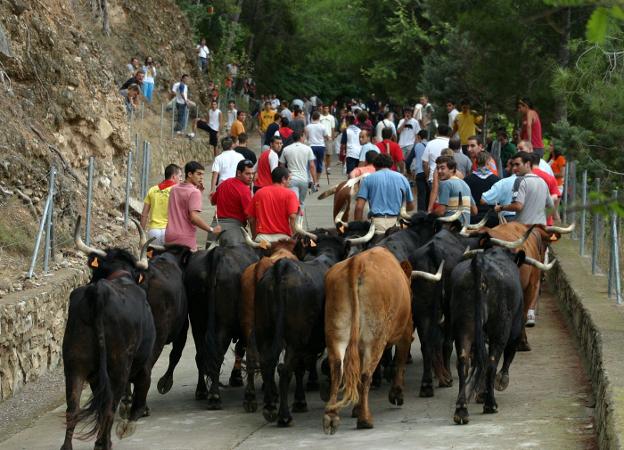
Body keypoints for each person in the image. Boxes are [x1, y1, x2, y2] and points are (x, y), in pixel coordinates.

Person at [165, 161, 220, 251]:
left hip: (170, 235)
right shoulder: (194, 192)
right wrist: (211, 230)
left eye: (202, 174)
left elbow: (183, 205)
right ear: (190, 174)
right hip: (185, 237)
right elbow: (193, 218)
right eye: (198, 174)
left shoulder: (174, 189)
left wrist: (198, 192)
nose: (201, 178)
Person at [354, 154, 415, 234]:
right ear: (391, 165)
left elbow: (359, 207)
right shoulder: (402, 178)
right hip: (397, 224)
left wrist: (358, 228)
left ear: (375, 166)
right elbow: (411, 206)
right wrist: (396, 208)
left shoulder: (368, 179)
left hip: (376, 224)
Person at [495, 151, 553, 226]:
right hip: (540, 229)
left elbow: (518, 206)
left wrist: (501, 207)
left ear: (528, 164)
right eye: (513, 165)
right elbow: (551, 206)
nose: (514, 168)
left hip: (523, 229)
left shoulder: (519, 180)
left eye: (517, 164)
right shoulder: (542, 182)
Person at [246, 166, 300, 242]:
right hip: (283, 239)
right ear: (283, 179)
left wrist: (254, 237)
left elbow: (251, 218)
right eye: (289, 179)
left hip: (262, 239)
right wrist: (295, 237)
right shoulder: (290, 194)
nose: (290, 182)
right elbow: (293, 217)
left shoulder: (259, 193)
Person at [140, 164, 182, 245]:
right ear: (173, 177)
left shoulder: (152, 189)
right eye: (180, 176)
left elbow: (144, 214)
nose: (181, 179)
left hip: (153, 232)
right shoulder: (178, 191)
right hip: (170, 231)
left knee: (152, 256)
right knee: (169, 257)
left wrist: (142, 235)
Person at [210, 159, 254, 233]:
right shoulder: (245, 190)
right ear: (239, 173)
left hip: (216, 228)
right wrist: (254, 236)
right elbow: (250, 217)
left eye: (252, 173)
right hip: (234, 230)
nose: (251, 177)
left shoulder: (224, 183)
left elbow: (213, 201)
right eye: (247, 174)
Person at [432, 155, 477, 225]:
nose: (439, 171)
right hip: (464, 229)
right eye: (437, 168)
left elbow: (441, 211)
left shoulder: (446, 183)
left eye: (442, 168)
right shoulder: (465, 184)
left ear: (452, 169)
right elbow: (474, 211)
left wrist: (429, 215)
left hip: (450, 229)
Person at [279, 132, 317, 208]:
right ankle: (300, 219)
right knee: (301, 203)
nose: (304, 138)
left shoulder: (286, 149)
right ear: (301, 137)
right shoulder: (308, 149)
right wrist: (315, 181)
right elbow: (312, 166)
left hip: (291, 179)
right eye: (304, 136)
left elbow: (281, 166)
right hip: (304, 180)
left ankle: (293, 218)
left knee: (292, 203)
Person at [464, 152, 500, 223]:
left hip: (473, 217)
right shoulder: (497, 180)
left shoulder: (467, 180)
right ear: (488, 163)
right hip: (492, 217)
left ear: (476, 163)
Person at [406, 130, 428, 211]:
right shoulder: (430, 144)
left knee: (421, 195)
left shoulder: (417, 145)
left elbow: (408, 160)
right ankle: (428, 214)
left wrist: (408, 171)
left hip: (420, 173)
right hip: (430, 173)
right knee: (429, 194)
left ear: (419, 137)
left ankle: (421, 216)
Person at [305, 111, 330, 176]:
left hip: (311, 146)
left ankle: (312, 180)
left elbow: (306, 137)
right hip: (321, 146)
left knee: (312, 163)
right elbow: (326, 137)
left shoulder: (308, 126)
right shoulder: (322, 126)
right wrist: (327, 138)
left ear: (312, 117)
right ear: (319, 117)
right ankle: (317, 181)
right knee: (319, 163)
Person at [319, 104, 338, 173]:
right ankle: (321, 167)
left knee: (328, 154)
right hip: (320, 137)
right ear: (322, 109)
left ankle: (328, 167)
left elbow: (333, 127)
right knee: (321, 154)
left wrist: (333, 136)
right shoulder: (320, 117)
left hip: (329, 137)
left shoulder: (331, 117)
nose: (325, 110)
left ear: (329, 109)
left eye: (327, 108)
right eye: (324, 108)